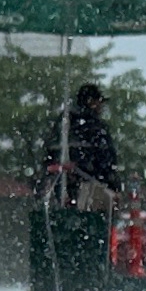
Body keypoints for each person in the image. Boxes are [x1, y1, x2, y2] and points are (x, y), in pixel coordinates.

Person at [42, 82, 121, 211]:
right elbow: (107, 160)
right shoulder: (96, 127)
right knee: (93, 218)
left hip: (60, 185)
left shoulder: (63, 124)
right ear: (92, 102)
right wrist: (114, 186)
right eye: (99, 102)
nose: (101, 106)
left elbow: (49, 153)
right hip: (89, 186)